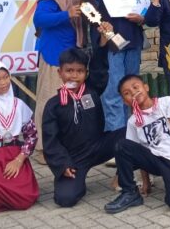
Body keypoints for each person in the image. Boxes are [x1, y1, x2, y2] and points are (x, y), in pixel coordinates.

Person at [42, 48, 126, 207]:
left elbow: (99, 69)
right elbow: (50, 141)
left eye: (80, 71)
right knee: (65, 199)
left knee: (132, 133)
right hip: (74, 158)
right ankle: (78, 183)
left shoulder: (92, 91)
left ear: (86, 74)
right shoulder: (53, 105)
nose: (74, 76)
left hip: (99, 146)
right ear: (60, 72)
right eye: (69, 71)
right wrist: (63, 164)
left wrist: (102, 45)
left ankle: (123, 177)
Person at [33, 0, 97, 163]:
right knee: (48, 100)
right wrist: (66, 14)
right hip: (53, 57)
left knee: (67, 103)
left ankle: (63, 145)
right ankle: (43, 149)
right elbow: (39, 19)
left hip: (73, 59)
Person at [104, 75, 170, 214]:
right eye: (127, 93)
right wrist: (146, 182)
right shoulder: (133, 121)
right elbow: (139, 151)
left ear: (146, 87)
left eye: (135, 87)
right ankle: (130, 192)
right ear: (125, 101)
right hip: (153, 160)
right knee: (122, 145)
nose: (133, 93)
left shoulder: (167, 102)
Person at [83, 0, 145, 133]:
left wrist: (141, 17)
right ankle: (115, 138)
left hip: (133, 43)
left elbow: (144, 11)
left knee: (132, 92)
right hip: (111, 46)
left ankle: (132, 135)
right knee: (113, 94)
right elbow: (87, 12)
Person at [0, 60, 38, 213]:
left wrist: (19, 160)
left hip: (14, 154)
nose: (3, 82)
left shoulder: (19, 104)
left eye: (5, 77)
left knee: (25, 196)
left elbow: (32, 135)